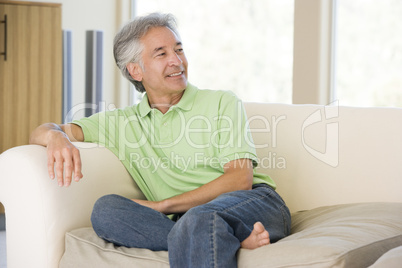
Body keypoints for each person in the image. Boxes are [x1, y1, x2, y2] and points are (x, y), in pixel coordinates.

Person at [30, 13, 290, 267]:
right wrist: (56, 136)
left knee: (198, 217)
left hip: (255, 204)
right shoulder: (122, 123)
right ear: (135, 70)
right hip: (190, 219)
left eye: (179, 50)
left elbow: (240, 180)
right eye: (162, 53)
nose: (177, 61)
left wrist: (162, 206)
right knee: (105, 210)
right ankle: (224, 235)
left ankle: (212, 230)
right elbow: (41, 131)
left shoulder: (222, 102)